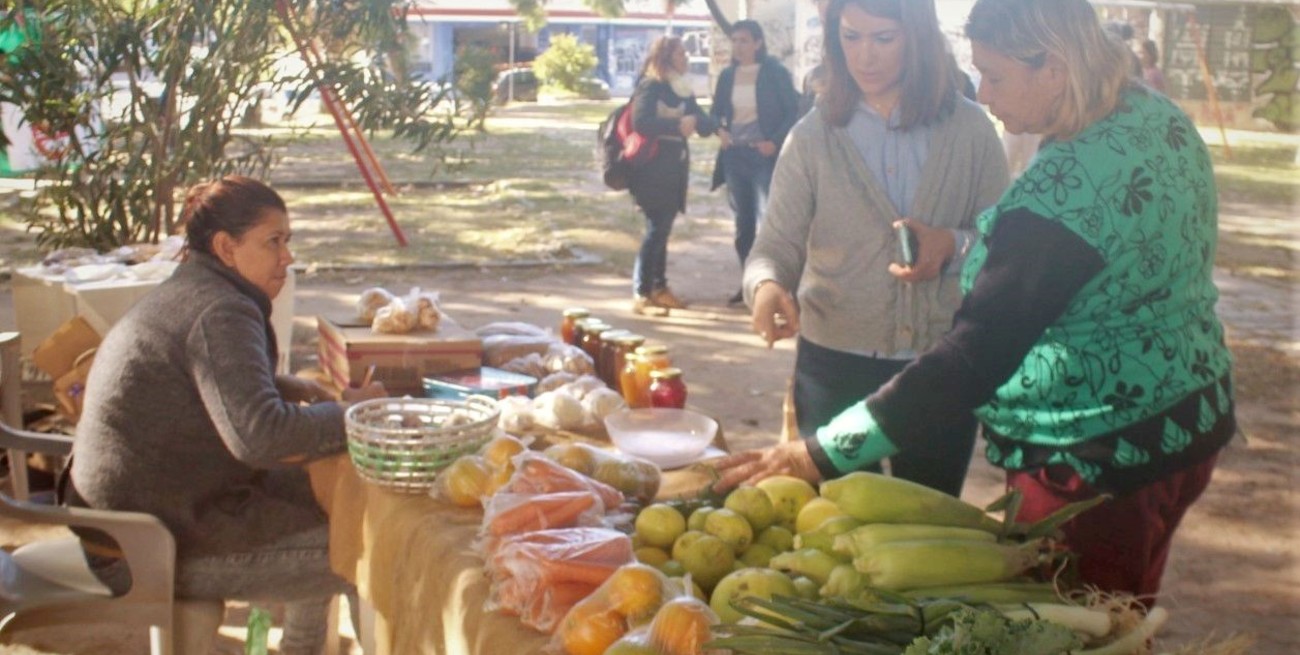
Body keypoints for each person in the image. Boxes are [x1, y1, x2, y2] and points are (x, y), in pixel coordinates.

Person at [717, 0, 1234, 605]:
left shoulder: (1058, 194)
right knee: (1125, 609)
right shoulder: (1153, 117)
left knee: (1076, 620)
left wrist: (821, 452)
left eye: (996, 76)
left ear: (1055, 69)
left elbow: (969, 359)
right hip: (1186, 422)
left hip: (1095, 461)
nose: (984, 94)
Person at [65, 175, 387, 654]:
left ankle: (300, 648)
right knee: (366, 552)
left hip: (125, 516)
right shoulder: (220, 310)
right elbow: (260, 437)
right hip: (145, 545)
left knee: (325, 502)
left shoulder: (195, 286)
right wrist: (351, 413)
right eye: (273, 242)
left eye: (288, 241)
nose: (288, 257)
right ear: (226, 247)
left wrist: (283, 385)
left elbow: (192, 375)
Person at [741, 0, 1009, 497]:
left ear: (918, 37)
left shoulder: (971, 132)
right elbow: (775, 243)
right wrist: (767, 285)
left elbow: (1005, 242)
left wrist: (953, 244)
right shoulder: (812, 138)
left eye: (883, 39)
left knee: (924, 518)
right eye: (850, 37)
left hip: (939, 366)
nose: (864, 57)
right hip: (834, 367)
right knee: (835, 523)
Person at [709, 20, 800, 306]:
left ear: (758, 43)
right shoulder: (727, 76)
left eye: (744, 40)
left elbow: (793, 112)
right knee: (743, 223)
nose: (738, 46)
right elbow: (715, 114)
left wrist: (774, 141)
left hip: (763, 156)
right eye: (734, 41)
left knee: (768, 221)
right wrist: (720, 130)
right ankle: (749, 284)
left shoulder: (775, 73)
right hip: (735, 155)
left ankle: (778, 286)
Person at [627, 35, 717, 315]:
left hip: (674, 168)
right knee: (656, 228)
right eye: (680, 54)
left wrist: (707, 124)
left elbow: (702, 120)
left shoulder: (682, 88)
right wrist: (678, 124)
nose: (686, 58)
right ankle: (642, 292)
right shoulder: (651, 85)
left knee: (663, 228)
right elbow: (640, 122)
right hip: (652, 168)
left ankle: (659, 288)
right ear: (666, 58)